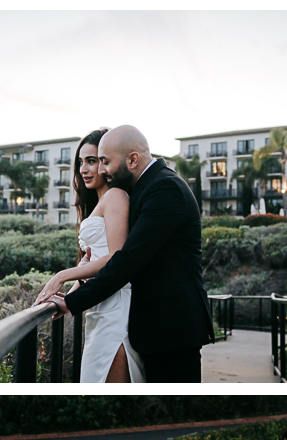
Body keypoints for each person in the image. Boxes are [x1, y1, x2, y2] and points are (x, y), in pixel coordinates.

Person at [41, 124, 215, 384]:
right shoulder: (146, 186)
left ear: (133, 159)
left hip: (173, 328)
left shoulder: (164, 189)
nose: (101, 170)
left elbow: (128, 259)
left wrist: (72, 301)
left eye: (105, 162)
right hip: (154, 327)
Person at [33, 128, 145, 383]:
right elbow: (94, 262)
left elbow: (117, 257)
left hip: (116, 310)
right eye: (80, 162)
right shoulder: (98, 202)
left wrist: (61, 276)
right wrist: (72, 293)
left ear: (107, 163)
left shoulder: (116, 197)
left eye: (92, 161)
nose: (83, 169)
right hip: (99, 307)